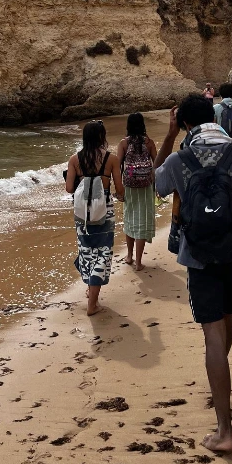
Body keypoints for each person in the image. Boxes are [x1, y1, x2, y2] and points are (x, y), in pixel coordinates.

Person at [154, 94, 232, 453]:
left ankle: (225, 431)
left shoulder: (180, 159)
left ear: (185, 123)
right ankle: (220, 378)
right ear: (213, 117)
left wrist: (167, 136)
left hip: (200, 259)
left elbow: (154, 185)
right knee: (226, 319)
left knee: (212, 336)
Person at [65, 120, 124, 316]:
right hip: (104, 210)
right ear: (102, 137)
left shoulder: (75, 159)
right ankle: (93, 303)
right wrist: (119, 196)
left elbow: (68, 188)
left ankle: (91, 290)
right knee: (103, 252)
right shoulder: (111, 159)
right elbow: (119, 188)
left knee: (86, 251)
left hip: (82, 212)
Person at [117, 113, 157, 271]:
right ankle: (139, 262)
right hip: (146, 185)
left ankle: (129, 256)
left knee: (130, 217)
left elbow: (118, 166)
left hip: (130, 185)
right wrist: (156, 184)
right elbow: (157, 164)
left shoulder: (123, 143)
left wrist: (118, 188)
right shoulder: (149, 142)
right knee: (142, 220)